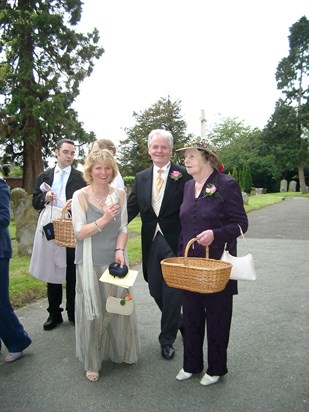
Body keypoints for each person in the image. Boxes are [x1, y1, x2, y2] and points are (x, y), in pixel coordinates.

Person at [175, 137, 248, 386]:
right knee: (191, 315)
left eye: (192, 155)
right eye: (185, 156)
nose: (186, 160)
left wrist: (215, 234)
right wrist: (179, 258)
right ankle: (191, 364)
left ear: (208, 158)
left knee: (217, 316)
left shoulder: (226, 185)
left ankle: (216, 368)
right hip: (190, 266)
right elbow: (184, 227)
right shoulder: (187, 186)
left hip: (217, 264)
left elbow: (241, 224)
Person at [71, 149, 140, 382]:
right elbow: (79, 233)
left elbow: (123, 229)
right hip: (89, 262)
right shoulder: (80, 195)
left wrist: (120, 250)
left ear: (113, 171)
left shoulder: (120, 194)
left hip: (115, 262)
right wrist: (103, 219)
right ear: (90, 170)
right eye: (98, 167)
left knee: (119, 308)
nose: (103, 172)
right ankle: (93, 361)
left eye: (107, 167)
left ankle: (123, 351)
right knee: (93, 312)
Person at [127, 129, 191, 360]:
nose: (159, 151)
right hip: (150, 241)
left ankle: (166, 339)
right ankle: (180, 321)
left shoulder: (183, 175)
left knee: (172, 292)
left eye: (164, 147)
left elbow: (191, 209)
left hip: (175, 241)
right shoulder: (141, 177)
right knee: (154, 288)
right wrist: (108, 225)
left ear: (171, 150)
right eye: (155, 147)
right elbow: (130, 208)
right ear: (149, 150)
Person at [31, 139, 86, 330]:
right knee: (52, 269)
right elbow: (35, 201)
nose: (69, 156)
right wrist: (44, 197)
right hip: (51, 227)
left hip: (72, 227)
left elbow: (87, 200)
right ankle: (54, 313)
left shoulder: (80, 177)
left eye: (72, 153)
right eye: (66, 152)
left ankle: (73, 311)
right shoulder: (44, 176)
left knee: (72, 270)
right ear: (56, 152)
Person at [0, 177, 32, 362]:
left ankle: (18, 341)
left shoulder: (1, 185)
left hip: (0, 252)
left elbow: (4, 219)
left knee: (1, 303)